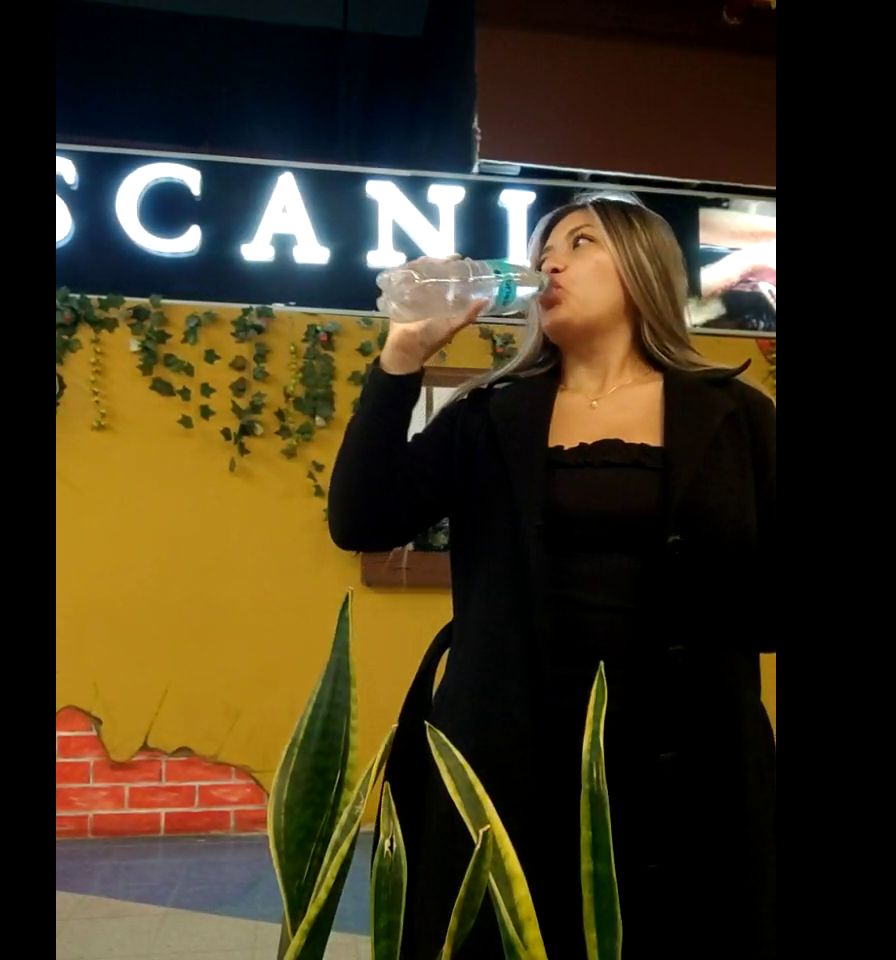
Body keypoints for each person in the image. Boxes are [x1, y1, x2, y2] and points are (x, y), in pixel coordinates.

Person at [328, 191, 776, 959]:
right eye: (543, 252)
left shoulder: (736, 415)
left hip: (692, 764)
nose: (549, 264)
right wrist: (401, 357)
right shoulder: (488, 416)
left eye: (580, 243)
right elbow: (361, 520)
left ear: (643, 269)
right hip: (511, 757)